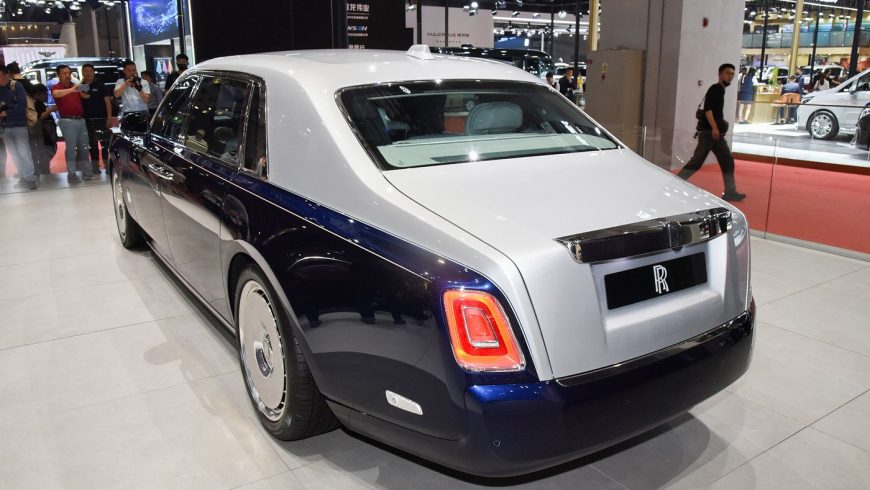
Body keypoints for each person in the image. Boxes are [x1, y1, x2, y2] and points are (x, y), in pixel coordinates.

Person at [677, 63, 746, 202]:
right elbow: (708, 110)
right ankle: (674, 183)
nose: (730, 76)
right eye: (727, 73)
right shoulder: (716, 89)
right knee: (696, 162)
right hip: (709, 133)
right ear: (720, 74)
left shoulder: (719, 89)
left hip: (715, 134)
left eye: (732, 74)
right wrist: (714, 127)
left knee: (727, 161)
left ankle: (730, 191)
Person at [52, 64, 96, 184]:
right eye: (64, 73)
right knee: (71, 149)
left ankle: (87, 172)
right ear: (58, 75)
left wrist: (84, 88)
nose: (67, 75)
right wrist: (73, 89)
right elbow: (56, 94)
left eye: (68, 73)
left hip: (80, 119)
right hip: (67, 120)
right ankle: (71, 174)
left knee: (84, 147)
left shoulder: (75, 85)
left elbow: (86, 94)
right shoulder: (57, 87)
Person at [0, 66, 37, 190]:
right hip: (5, 127)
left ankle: (30, 178)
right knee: (14, 154)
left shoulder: (16, 86)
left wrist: (7, 112)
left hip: (19, 125)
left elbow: (22, 104)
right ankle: (22, 176)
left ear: (6, 75)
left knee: (24, 152)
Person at [80, 63, 112, 175]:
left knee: (105, 144)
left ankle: (108, 166)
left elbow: (107, 102)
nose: (88, 73)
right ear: (82, 72)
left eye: (90, 71)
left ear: (94, 72)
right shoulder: (81, 86)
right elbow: (82, 98)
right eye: (85, 71)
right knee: (92, 145)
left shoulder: (100, 85)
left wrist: (109, 117)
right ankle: (95, 167)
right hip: (87, 120)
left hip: (101, 119)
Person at [28, 83, 58, 177]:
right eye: (44, 94)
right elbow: (38, 118)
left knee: (45, 152)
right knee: (44, 152)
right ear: (38, 94)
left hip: (44, 132)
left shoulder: (38, 103)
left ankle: (42, 170)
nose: (45, 96)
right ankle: (43, 171)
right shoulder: (35, 104)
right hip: (41, 133)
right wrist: (50, 110)